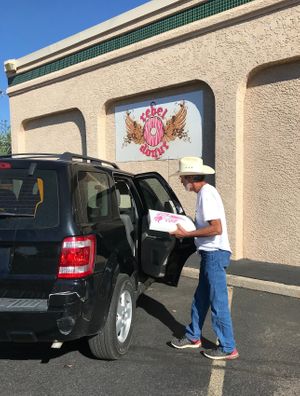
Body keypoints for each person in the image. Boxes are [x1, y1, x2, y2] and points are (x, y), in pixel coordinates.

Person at [170, 156, 239, 360]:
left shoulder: (206, 195)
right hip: (210, 255)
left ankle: (228, 347)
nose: (181, 181)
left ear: (191, 177)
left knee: (218, 302)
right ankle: (193, 336)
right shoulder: (204, 194)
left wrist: (187, 235)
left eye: (182, 177)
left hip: (215, 255)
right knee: (201, 298)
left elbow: (216, 229)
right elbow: (207, 226)